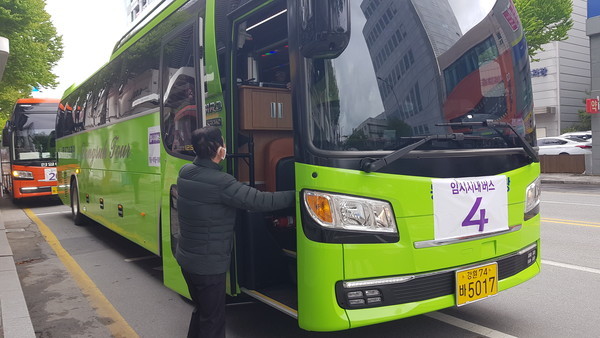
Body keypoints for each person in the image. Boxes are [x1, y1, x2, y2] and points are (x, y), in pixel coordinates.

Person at [175, 126, 294, 338]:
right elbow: (261, 201)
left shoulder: (185, 172)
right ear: (219, 150)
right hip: (208, 266)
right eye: (223, 142)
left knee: (203, 310)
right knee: (213, 319)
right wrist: (301, 193)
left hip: (187, 260)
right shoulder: (222, 183)